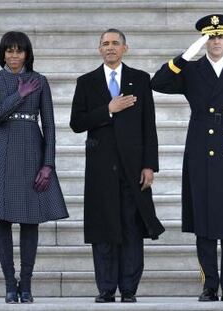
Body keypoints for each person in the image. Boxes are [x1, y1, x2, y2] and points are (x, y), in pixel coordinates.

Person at [151, 14, 223, 302]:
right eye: (210, 37)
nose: (216, 42)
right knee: (205, 222)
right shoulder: (192, 69)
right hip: (202, 149)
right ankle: (210, 285)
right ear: (204, 40)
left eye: (220, 36)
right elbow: (158, 82)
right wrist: (187, 55)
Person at [70, 28, 164, 303]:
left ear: (125, 47)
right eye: (105, 44)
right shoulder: (86, 82)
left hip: (133, 168)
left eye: (115, 43)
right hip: (101, 169)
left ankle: (129, 289)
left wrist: (150, 166)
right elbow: (77, 123)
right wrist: (109, 109)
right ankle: (106, 288)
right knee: (104, 228)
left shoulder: (140, 79)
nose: (110, 47)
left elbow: (150, 125)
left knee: (131, 228)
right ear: (99, 49)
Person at [0, 31, 68, 304]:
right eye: (9, 51)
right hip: (2, 151)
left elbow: (50, 126)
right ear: (3, 54)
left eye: (19, 51)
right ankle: (10, 284)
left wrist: (48, 164)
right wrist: (18, 95)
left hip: (32, 149)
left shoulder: (39, 81)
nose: (14, 56)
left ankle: (26, 285)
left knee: (30, 219)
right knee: (2, 218)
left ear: (27, 53)